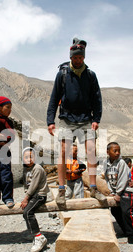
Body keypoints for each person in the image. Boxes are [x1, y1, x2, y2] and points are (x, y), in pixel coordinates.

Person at [46, 37, 105, 204]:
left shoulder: (90, 75)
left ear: (84, 58)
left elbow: (97, 99)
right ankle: (62, 190)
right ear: (71, 58)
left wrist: (96, 118)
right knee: (63, 151)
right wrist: (50, 120)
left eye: (80, 57)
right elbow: (54, 98)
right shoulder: (62, 75)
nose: (78, 60)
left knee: (91, 150)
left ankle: (93, 188)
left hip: (86, 117)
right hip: (67, 118)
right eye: (75, 57)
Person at [103, 142, 133, 246]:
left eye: (118, 151)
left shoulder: (121, 163)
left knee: (127, 211)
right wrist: (112, 192)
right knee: (115, 210)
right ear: (108, 152)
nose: (117, 153)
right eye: (114, 151)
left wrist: (118, 193)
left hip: (125, 190)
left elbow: (123, 179)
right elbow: (107, 178)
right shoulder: (106, 163)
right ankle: (126, 230)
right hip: (116, 191)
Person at [21, 147, 50, 252]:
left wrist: (26, 198)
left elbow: (33, 185)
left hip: (40, 195)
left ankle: (39, 237)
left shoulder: (37, 168)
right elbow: (26, 183)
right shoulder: (26, 168)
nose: (29, 159)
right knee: (25, 211)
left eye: (31, 156)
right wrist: (27, 195)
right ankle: (32, 233)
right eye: (26, 157)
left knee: (28, 212)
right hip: (33, 195)